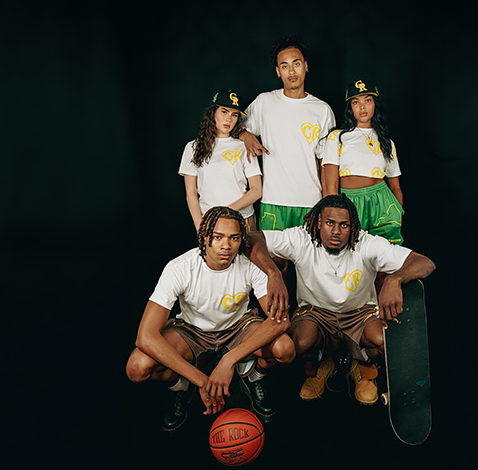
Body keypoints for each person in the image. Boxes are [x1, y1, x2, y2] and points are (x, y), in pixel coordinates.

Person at [245, 195, 435, 405]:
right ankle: (321, 365)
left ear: (352, 226)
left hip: (359, 313)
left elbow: (424, 262)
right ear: (318, 222)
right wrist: (273, 273)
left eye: (344, 225)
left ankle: (363, 368)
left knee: (384, 341)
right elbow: (251, 239)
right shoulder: (302, 238)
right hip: (315, 312)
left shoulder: (367, 243)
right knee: (298, 343)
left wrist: (394, 279)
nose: (336, 231)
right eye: (330, 223)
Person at [125, 206, 294, 428]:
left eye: (234, 238)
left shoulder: (250, 264)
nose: (226, 245)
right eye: (218, 237)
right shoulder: (180, 268)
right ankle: (183, 386)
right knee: (137, 367)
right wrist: (203, 382)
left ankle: (252, 377)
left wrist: (229, 359)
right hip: (192, 332)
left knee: (285, 349)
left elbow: (281, 320)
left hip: (238, 329)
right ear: (205, 238)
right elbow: (145, 337)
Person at [239, 35, 335, 231]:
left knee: (310, 260)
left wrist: (326, 203)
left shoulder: (322, 110)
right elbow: (232, 125)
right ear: (277, 72)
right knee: (274, 261)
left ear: (306, 66)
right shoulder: (264, 102)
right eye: (284, 66)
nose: (291, 71)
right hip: (274, 200)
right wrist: (246, 135)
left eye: (296, 64)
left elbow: (326, 161)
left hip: (311, 203)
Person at [321, 79, 404, 245]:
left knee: (385, 258)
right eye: (355, 102)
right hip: (350, 202)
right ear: (350, 108)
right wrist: (333, 215)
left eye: (368, 100)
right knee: (352, 254)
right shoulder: (337, 137)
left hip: (383, 203)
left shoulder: (387, 142)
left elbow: (395, 186)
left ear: (375, 104)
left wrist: (398, 210)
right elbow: (331, 187)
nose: (362, 107)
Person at [179, 89, 262, 232]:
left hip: (243, 219)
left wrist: (226, 212)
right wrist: (200, 225)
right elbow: (191, 191)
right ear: (213, 113)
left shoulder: (243, 146)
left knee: (250, 254)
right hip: (210, 222)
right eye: (224, 112)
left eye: (234, 114)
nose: (229, 119)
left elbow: (256, 190)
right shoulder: (193, 147)